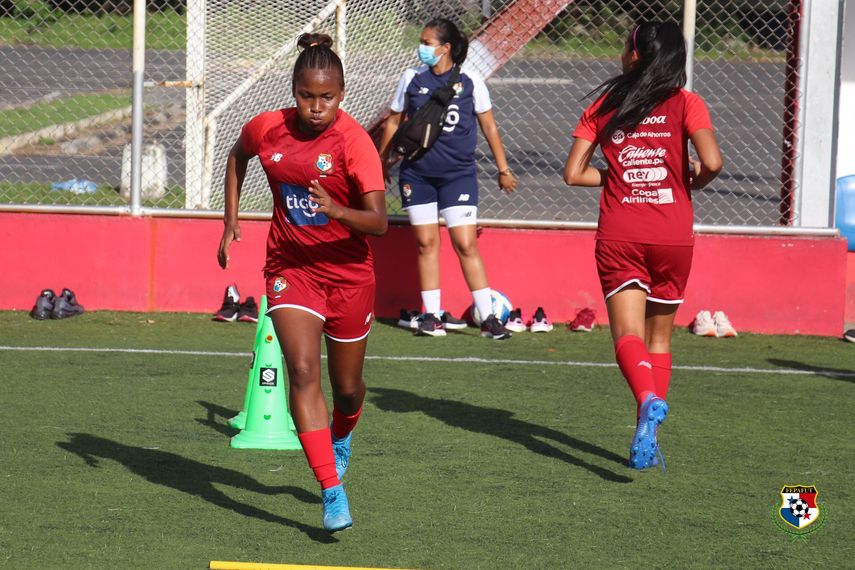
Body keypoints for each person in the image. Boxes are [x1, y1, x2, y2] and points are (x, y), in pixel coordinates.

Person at [217, 33, 387, 532]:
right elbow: (236, 155)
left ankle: (342, 434)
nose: (317, 107)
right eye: (307, 96)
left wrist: (337, 209)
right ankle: (331, 491)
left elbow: (378, 221)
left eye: (327, 97)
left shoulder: (354, 143)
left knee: (349, 389)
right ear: (293, 91)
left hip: (349, 276)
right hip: (290, 270)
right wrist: (231, 220)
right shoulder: (267, 129)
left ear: (343, 94)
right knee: (303, 370)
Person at [563, 22, 723, 470]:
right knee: (659, 339)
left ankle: (646, 397)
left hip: (620, 233)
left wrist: (616, 176)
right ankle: (646, 430)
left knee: (627, 336)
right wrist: (688, 179)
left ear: (635, 56)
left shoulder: (605, 104)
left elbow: (573, 173)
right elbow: (712, 161)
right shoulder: (687, 103)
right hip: (673, 234)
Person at [379, 17, 517, 340]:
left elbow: (489, 126)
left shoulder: (470, 80)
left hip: (458, 177)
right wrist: (382, 161)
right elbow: (393, 121)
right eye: (422, 42)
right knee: (427, 243)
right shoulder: (411, 78)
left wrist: (503, 169)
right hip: (417, 174)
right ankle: (431, 316)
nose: (422, 47)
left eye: (427, 43)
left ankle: (488, 318)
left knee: (465, 244)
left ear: (446, 48)